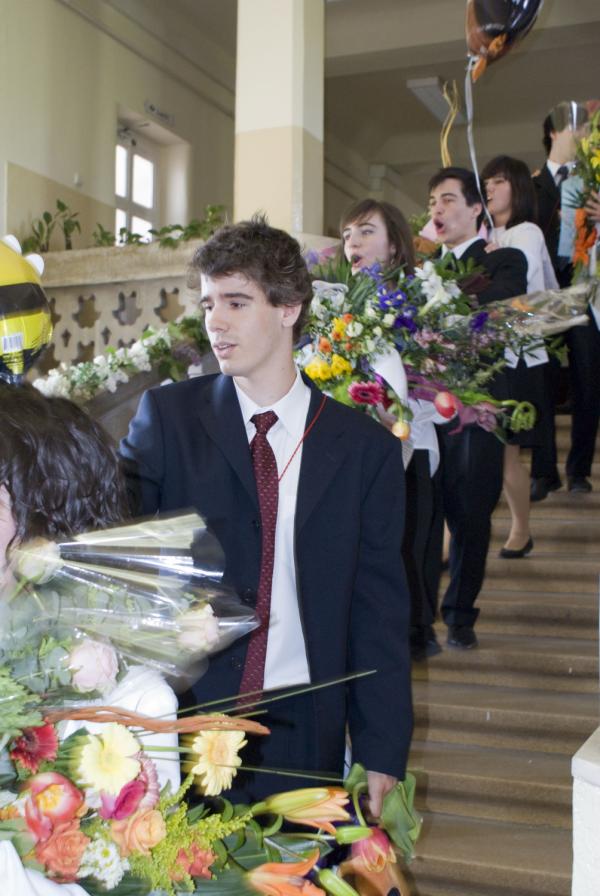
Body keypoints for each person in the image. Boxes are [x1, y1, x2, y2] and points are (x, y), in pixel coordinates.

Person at [120, 215, 413, 814]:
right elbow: (117, 548)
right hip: (185, 717)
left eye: (236, 301)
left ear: (288, 308)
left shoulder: (364, 450)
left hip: (305, 724)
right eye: (208, 304)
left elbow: (378, 609)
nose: (215, 322)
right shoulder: (168, 420)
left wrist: (382, 747)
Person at [340, 198, 444, 661]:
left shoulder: (424, 301)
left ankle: (415, 632)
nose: (353, 242)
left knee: (407, 546)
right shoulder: (336, 306)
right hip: (354, 450)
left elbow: (446, 385)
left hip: (411, 442)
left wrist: (405, 390)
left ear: (396, 245)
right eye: (347, 235)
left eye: (366, 231)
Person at [428, 167, 527, 649]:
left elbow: (498, 301)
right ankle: (418, 621)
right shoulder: (420, 270)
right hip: (424, 407)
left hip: (479, 405)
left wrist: (440, 289)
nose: (437, 209)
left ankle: (460, 615)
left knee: (471, 512)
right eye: (432, 202)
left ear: (475, 209)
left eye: (448, 199)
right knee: (426, 514)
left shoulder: (503, 259)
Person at [482, 154, 559, 558]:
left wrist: (493, 259)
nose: (490, 188)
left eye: (499, 181)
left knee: (506, 451)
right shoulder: (482, 234)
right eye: (486, 182)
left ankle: (521, 528)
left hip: (516, 356)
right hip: (481, 356)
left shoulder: (525, 232)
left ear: (518, 187)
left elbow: (525, 290)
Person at [531, 101, 600, 497]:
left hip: (585, 287)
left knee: (589, 378)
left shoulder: (594, 180)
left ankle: (579, 469)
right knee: (541, 379)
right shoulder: (532, 183)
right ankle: (544, 470)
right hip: (544, 287)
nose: (585, 135)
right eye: (579, 128)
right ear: (554, 133)